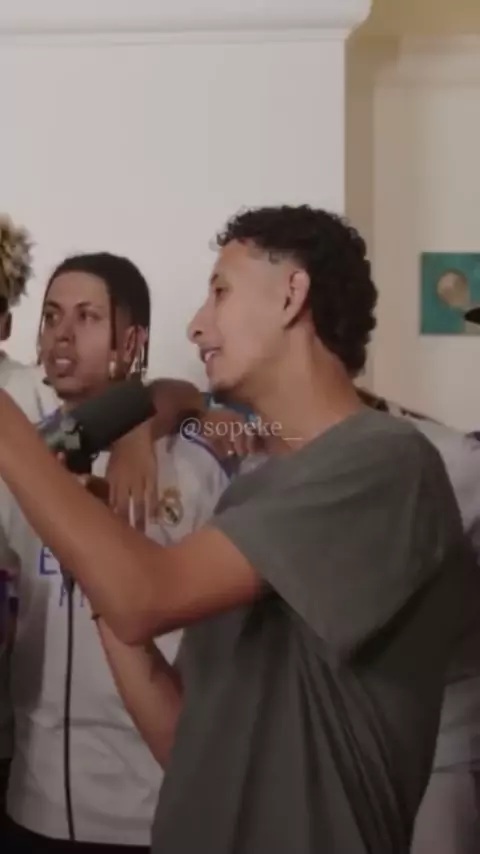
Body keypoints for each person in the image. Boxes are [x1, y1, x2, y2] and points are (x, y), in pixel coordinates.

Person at [0, 205, 478, 854]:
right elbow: (184, 742)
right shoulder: (252, 489)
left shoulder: (385, 463)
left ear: (291, 295)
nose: (196, 325)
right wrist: (101, 555)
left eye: (220, 291)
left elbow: (146, 597)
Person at [0, 251, 235, 853]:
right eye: (51, 316)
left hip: (153, 803)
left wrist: (141, 426)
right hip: (34, 798)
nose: (62, 335)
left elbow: (202, 403)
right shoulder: (24, 460)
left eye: (86, 317)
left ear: (130, 342)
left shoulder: (196, 460)